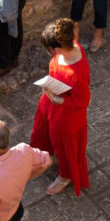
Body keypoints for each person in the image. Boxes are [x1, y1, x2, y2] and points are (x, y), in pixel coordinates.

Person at [30, 18, 91, 195]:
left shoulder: (77, 74)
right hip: (51, 100)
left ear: (56, 49)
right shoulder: (71, 47)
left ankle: (66, 176)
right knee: (43, 131)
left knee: (65, 147)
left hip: (66, 115)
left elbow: (83, 101)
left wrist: (57, 100)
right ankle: (44, 154)